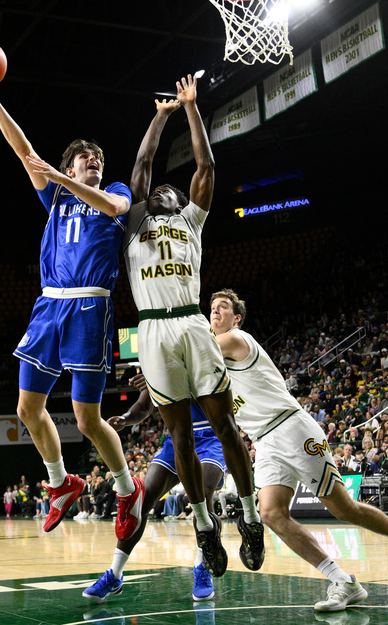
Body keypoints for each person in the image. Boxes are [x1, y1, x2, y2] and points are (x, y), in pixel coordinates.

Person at [0, 65, 143, 539]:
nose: (94, 161)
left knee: (86, 419)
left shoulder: (114, 191)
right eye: (84, 158)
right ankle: (62, 483)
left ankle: (127, 489)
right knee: (26, 409)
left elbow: (114, 208)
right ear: (70, 165)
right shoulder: (55, 198)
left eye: (98, 157)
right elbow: (24, 150)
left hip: (88, 306)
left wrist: (62, 179)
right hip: (49, 306)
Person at [209, 289, 388, 612]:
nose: (215, 312)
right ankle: (342, 580)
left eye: (223, 308)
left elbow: (196, 355)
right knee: (271, 514)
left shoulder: (234, 339)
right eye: (212, 308)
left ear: (237, 318)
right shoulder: (214, 368)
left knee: (344, 508)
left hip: (292, 427)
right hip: (265, 441)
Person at [121, 75, 264, 576]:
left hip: (190, 323)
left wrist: (190, 108)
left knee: (223, 426)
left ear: (181, 201)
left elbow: (205, 164)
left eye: (169, 189)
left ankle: (250, 517)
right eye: (156, 189)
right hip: (154, 332)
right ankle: (205, 527)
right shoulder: (136, 221)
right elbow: (141, 166)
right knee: (178, 436)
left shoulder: (192, 221)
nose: (161, 190)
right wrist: (159, 117)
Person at [82, 372, 224, 603]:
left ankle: (202, 568)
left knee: (202, 493)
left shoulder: (197, 347)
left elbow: (204, 390)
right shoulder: (155, 359)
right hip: (177, 436)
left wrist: (160, 380)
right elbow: (143, 405)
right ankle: (115, 574)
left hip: (210, 435)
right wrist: (126, 418)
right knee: (142, 501)